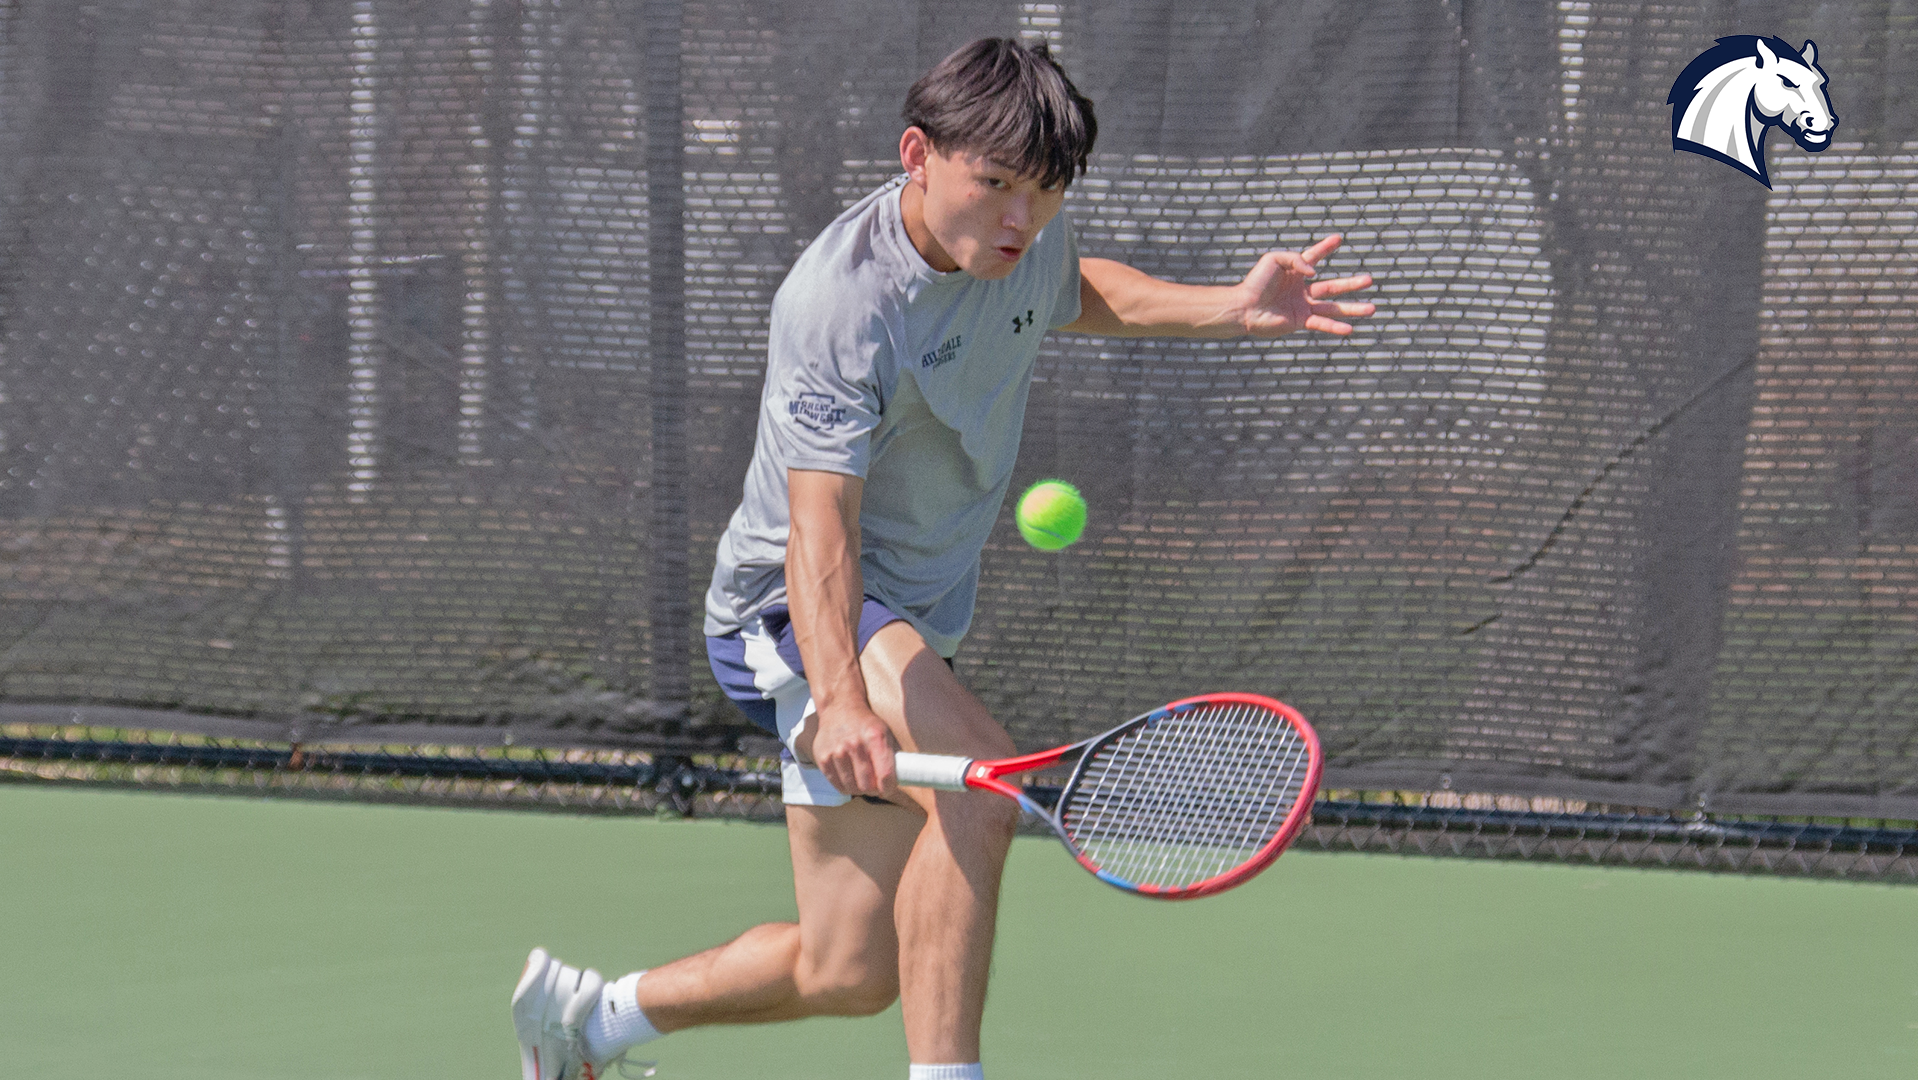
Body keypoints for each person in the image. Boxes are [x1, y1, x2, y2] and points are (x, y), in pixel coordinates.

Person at [512, 36, 1373, 1080]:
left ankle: (589, 1022)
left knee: (848, 970)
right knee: (981, 790)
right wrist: (838, 696)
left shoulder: (1021, 240)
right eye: (996, 184)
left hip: (904, 625)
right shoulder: (842, 305)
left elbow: (1073, 286)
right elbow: (818, 527)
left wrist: (1226, 306)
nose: (1021, 218)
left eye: (1045, 192)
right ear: (918, 153)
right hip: (795, 613)